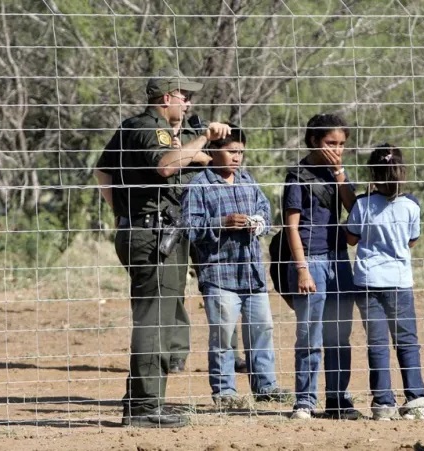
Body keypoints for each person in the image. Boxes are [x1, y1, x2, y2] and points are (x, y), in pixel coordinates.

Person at [94, 68, 231, 428]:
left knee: (163, 318)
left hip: (152, 232)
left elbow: (103, 171)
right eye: (184, 95)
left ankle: (144, 399)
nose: (188, 102)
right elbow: (166, 166)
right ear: (167, 97)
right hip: (152, 236)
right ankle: (143, 408)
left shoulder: (140, 129)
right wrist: (201, 140)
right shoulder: (147, 128)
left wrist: (122, 213)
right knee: (154, 320)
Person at [182, 124, 290, 408]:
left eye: (241, 152)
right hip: (219, 275)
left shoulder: (247, 180)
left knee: (262, 329)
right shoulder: (198, 186)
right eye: (231, 151)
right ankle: (224, 392)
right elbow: (189, 229)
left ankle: (266, 386)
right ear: (213, 152)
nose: (237, 157)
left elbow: (266, 214)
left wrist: (257, 224)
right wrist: (222, 223)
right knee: (224, 335)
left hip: (253, 274)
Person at [346, 144, 424, 421]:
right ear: (402, 172)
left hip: (367, 282)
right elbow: (411, 241)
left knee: (376, 344)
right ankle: (416, 399)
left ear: (372, 174)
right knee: (407, 342)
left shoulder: (361, 204)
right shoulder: (411, 204)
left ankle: (382, 404)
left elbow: (351, 239)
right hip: (399, 283)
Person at [282, 113, 361, 420]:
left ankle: (338, 399)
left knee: (339, 335)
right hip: (310, 262)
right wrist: (301, 269)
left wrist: (340, 174)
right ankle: (305, 401)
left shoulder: (337, 174)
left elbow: (354, 210)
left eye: (342, 144)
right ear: (314, 141)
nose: (337, 149)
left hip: (338, 261)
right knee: (309, 335)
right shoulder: (298, 176)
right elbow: (291, 227)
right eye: (331, 143)